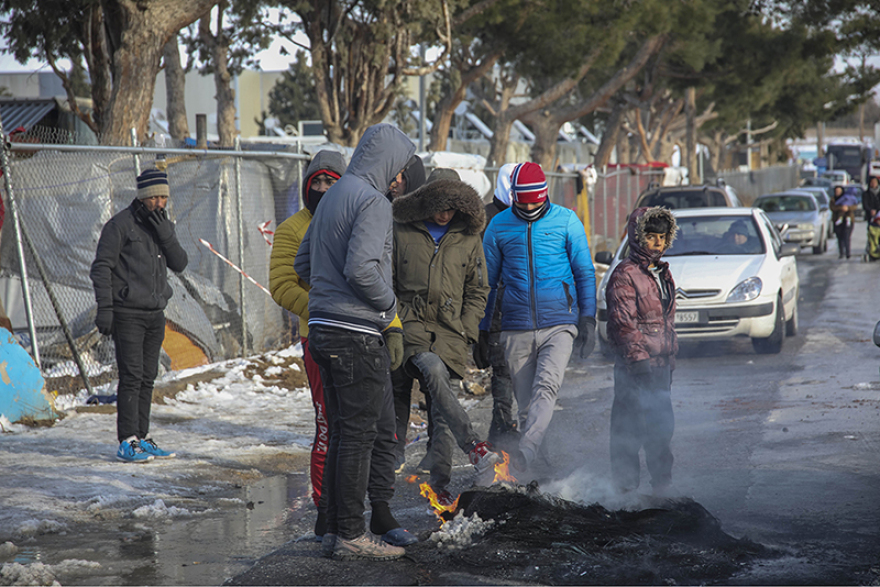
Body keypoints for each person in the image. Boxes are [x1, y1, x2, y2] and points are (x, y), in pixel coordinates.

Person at [294, 123, 416, 561]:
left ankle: (329, 527)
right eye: (398, 168)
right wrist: (388, 309)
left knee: (345, 433)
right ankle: (349, 534)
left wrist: (328, 297)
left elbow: (302, 263)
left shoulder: (333, 197)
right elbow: (362, 269)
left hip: (323, 329)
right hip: (355, 333)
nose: (398, 178)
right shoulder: (373, 202)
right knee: (361, 435)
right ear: (385, 163)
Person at [478, 162, 596, 474]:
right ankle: (541, 469)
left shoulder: (567, 221)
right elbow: (488, 283)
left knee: (547, 386)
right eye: (522, 200)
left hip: (559, 321)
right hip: (515, 325)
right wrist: (481, 328)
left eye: (535, 200)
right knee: (527, 402)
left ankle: (526, 453)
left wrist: (588, 318)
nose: (529, 206)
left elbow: (584, 272)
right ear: (513, 196)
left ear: (544, 195)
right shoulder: (498, 226)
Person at [390, 168, 498, 503]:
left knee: (441, 408)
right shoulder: (401, 229)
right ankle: (476, 448)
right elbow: (386, 279)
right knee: (423, 376)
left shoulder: (468, 237)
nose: (445, 213)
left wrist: (466, 328)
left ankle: (440, 487)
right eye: (439, 204)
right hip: (409, 326)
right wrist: (394, 320)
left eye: (453, 207)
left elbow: (479, 289)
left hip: (451, 331)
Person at [268, 149, 345, 538]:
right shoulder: (292, 228)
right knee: (327, 425)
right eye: (317, 181)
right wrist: (322, 310)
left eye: (332, 181)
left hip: (358, 339)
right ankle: (324, 508)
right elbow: (281, 286)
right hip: (316, 338)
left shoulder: (354, 220)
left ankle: (351, 506)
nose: (324, 188)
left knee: (357, 428)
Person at [89, 168, 188, 463]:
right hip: (127, 313)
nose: (160, 202)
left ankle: (141, 439)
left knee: (148, 376)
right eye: (154, 197)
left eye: (163, 197)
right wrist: (105, 308)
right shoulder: (120, 225)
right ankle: (127, 440)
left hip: (155, 313)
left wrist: (166, 235)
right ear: (143, 197)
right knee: (131, 377)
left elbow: (180, 263)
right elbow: (101, 268)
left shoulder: (161, 226)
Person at [606, 206, 678, 496]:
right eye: (651, 236)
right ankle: (623, 493)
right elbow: (624, 322)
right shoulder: (625, 274)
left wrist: (670, 360)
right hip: (634, 368)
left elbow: (664, 322)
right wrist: (638, 362)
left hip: (660, 367)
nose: (658, 243)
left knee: (662, 429)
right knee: (628, 429)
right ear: (637, 238)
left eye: (662, 237)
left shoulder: (661, 273)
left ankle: (662, 489)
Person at [474, 163, 519, 449]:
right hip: (495, 314)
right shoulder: (486, 219)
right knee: (503, 375)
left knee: (520, 377)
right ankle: (503, 440)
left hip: (523, 311)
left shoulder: (529, 216)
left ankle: (500, 437)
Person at [831, 185, 857, 260]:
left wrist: (847, 208)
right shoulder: (833, 199)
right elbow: (833, 207)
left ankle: (848, 253)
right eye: (836, 191)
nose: (837, 192)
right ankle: (841, 253)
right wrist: (841, 208)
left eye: (839, 191)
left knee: (846, 236)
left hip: (848, 220)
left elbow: (854, 206)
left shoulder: (848, 197)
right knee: (839, 237)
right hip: (837, 221)